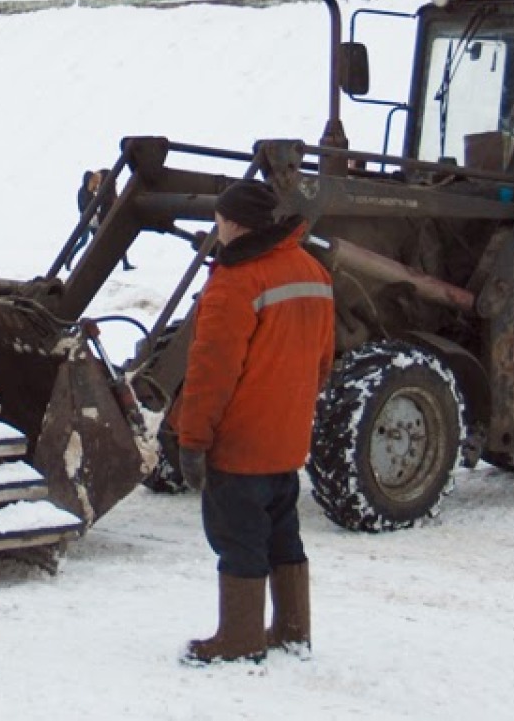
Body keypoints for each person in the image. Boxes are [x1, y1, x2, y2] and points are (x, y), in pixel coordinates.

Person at [170, 178, 336, 666]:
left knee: (237, 538)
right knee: (283, 535)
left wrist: (192, 439)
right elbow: (323, 360)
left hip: (240, 443)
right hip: (287, 439)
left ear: (234, 222)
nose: (216, 227)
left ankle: (239, 639)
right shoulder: (312, 270)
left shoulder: (236, 280)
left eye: (219, 218)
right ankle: (292, 630)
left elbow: (211, 372)